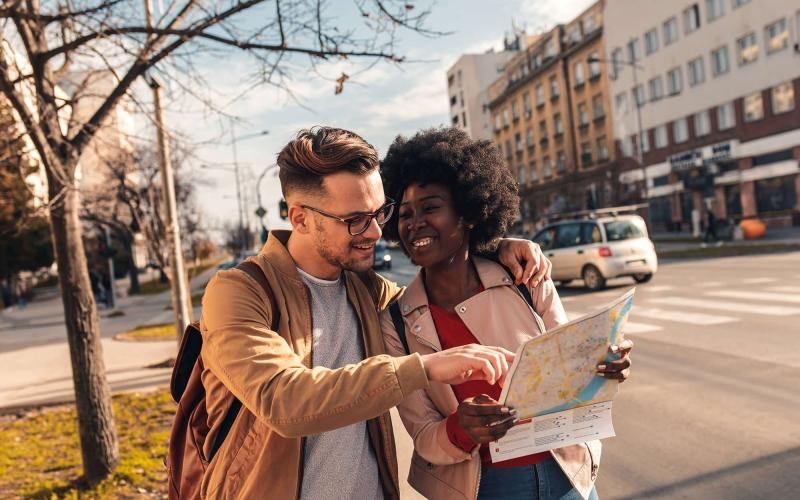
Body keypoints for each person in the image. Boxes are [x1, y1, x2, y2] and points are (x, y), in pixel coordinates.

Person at [197, 126, 553, 499]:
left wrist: (494, 247)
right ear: (300, 219)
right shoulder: (239, 291)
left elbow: (438, 287)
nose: (374, 232)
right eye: (354, 220)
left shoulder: (368, 289)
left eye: (379, 212)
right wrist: (424, 368)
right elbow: (284, 400)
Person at [379, 127, 633, 500]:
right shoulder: (396, 321)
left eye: (431, 207)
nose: (414, 222)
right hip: (486, 488)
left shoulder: (525, 277)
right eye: (404, 214)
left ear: (467, 214)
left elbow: (573, 372)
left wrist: (604, 366)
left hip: (566, 472)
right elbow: (423, 436)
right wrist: (459, 429)